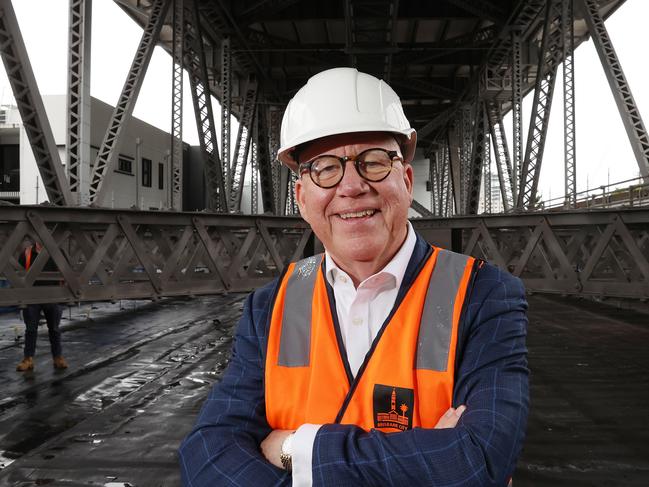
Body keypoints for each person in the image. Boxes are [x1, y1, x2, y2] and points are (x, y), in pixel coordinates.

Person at [179, 67, 528, 486]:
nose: (351, 186)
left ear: (407, 178)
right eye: (325, 168)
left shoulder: (483, 294)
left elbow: (477, 462)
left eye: (374, 162)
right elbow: (207, 454)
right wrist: (424, 458)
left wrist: (293, 449)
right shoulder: (269, 307)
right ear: (302, 198)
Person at [15, 239, 68, 372]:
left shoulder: (57, 251)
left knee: (54, 329)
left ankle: (58, 358)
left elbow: (67, 272)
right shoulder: (27, 253)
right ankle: (28, 359)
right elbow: (18, 274)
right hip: (32, 297)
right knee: (31, 330)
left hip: (53, 295)